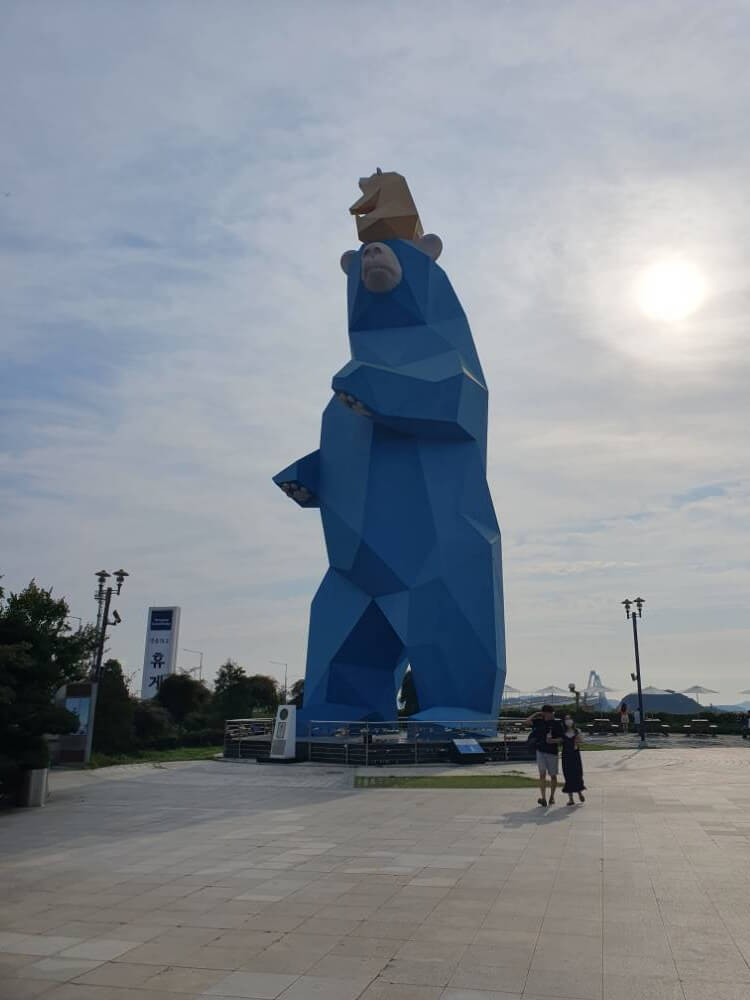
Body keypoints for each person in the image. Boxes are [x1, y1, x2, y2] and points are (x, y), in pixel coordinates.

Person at [525, 705, 564, 807]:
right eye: (547, 713)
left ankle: (551, 796)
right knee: (542, 774)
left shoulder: (557, 723)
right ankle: (543, 798)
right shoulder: (539, 721)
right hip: (540, 751)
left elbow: (562, 739)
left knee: (553, 776)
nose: (550, 715)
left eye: (551, 713)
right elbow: (527, 721)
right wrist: (536, 714)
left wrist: (553, 741)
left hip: (552, 752)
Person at [561, 714, 586, 805]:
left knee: (577, 774)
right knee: (568, 775)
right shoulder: (562, 732)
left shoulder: (577, 731)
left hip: (575, 755)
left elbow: (582, 741)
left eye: (570, 719)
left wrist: (578, 740)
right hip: (566, 755)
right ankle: (571, 799)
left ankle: (579, 792)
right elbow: (559, 741)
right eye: (566, 719)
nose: (568, 721)